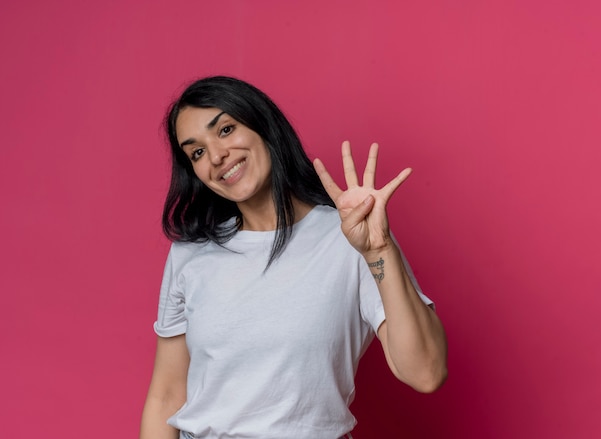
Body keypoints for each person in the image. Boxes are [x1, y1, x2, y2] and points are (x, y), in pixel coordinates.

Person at [140, 76, 447, 439]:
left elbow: (426, 373)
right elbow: (167, 396)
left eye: (225, 129)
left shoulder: (350, 237)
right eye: (197, 152)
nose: (217, 156)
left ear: (262, 124)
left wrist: (379, 251)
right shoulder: (191, 254)